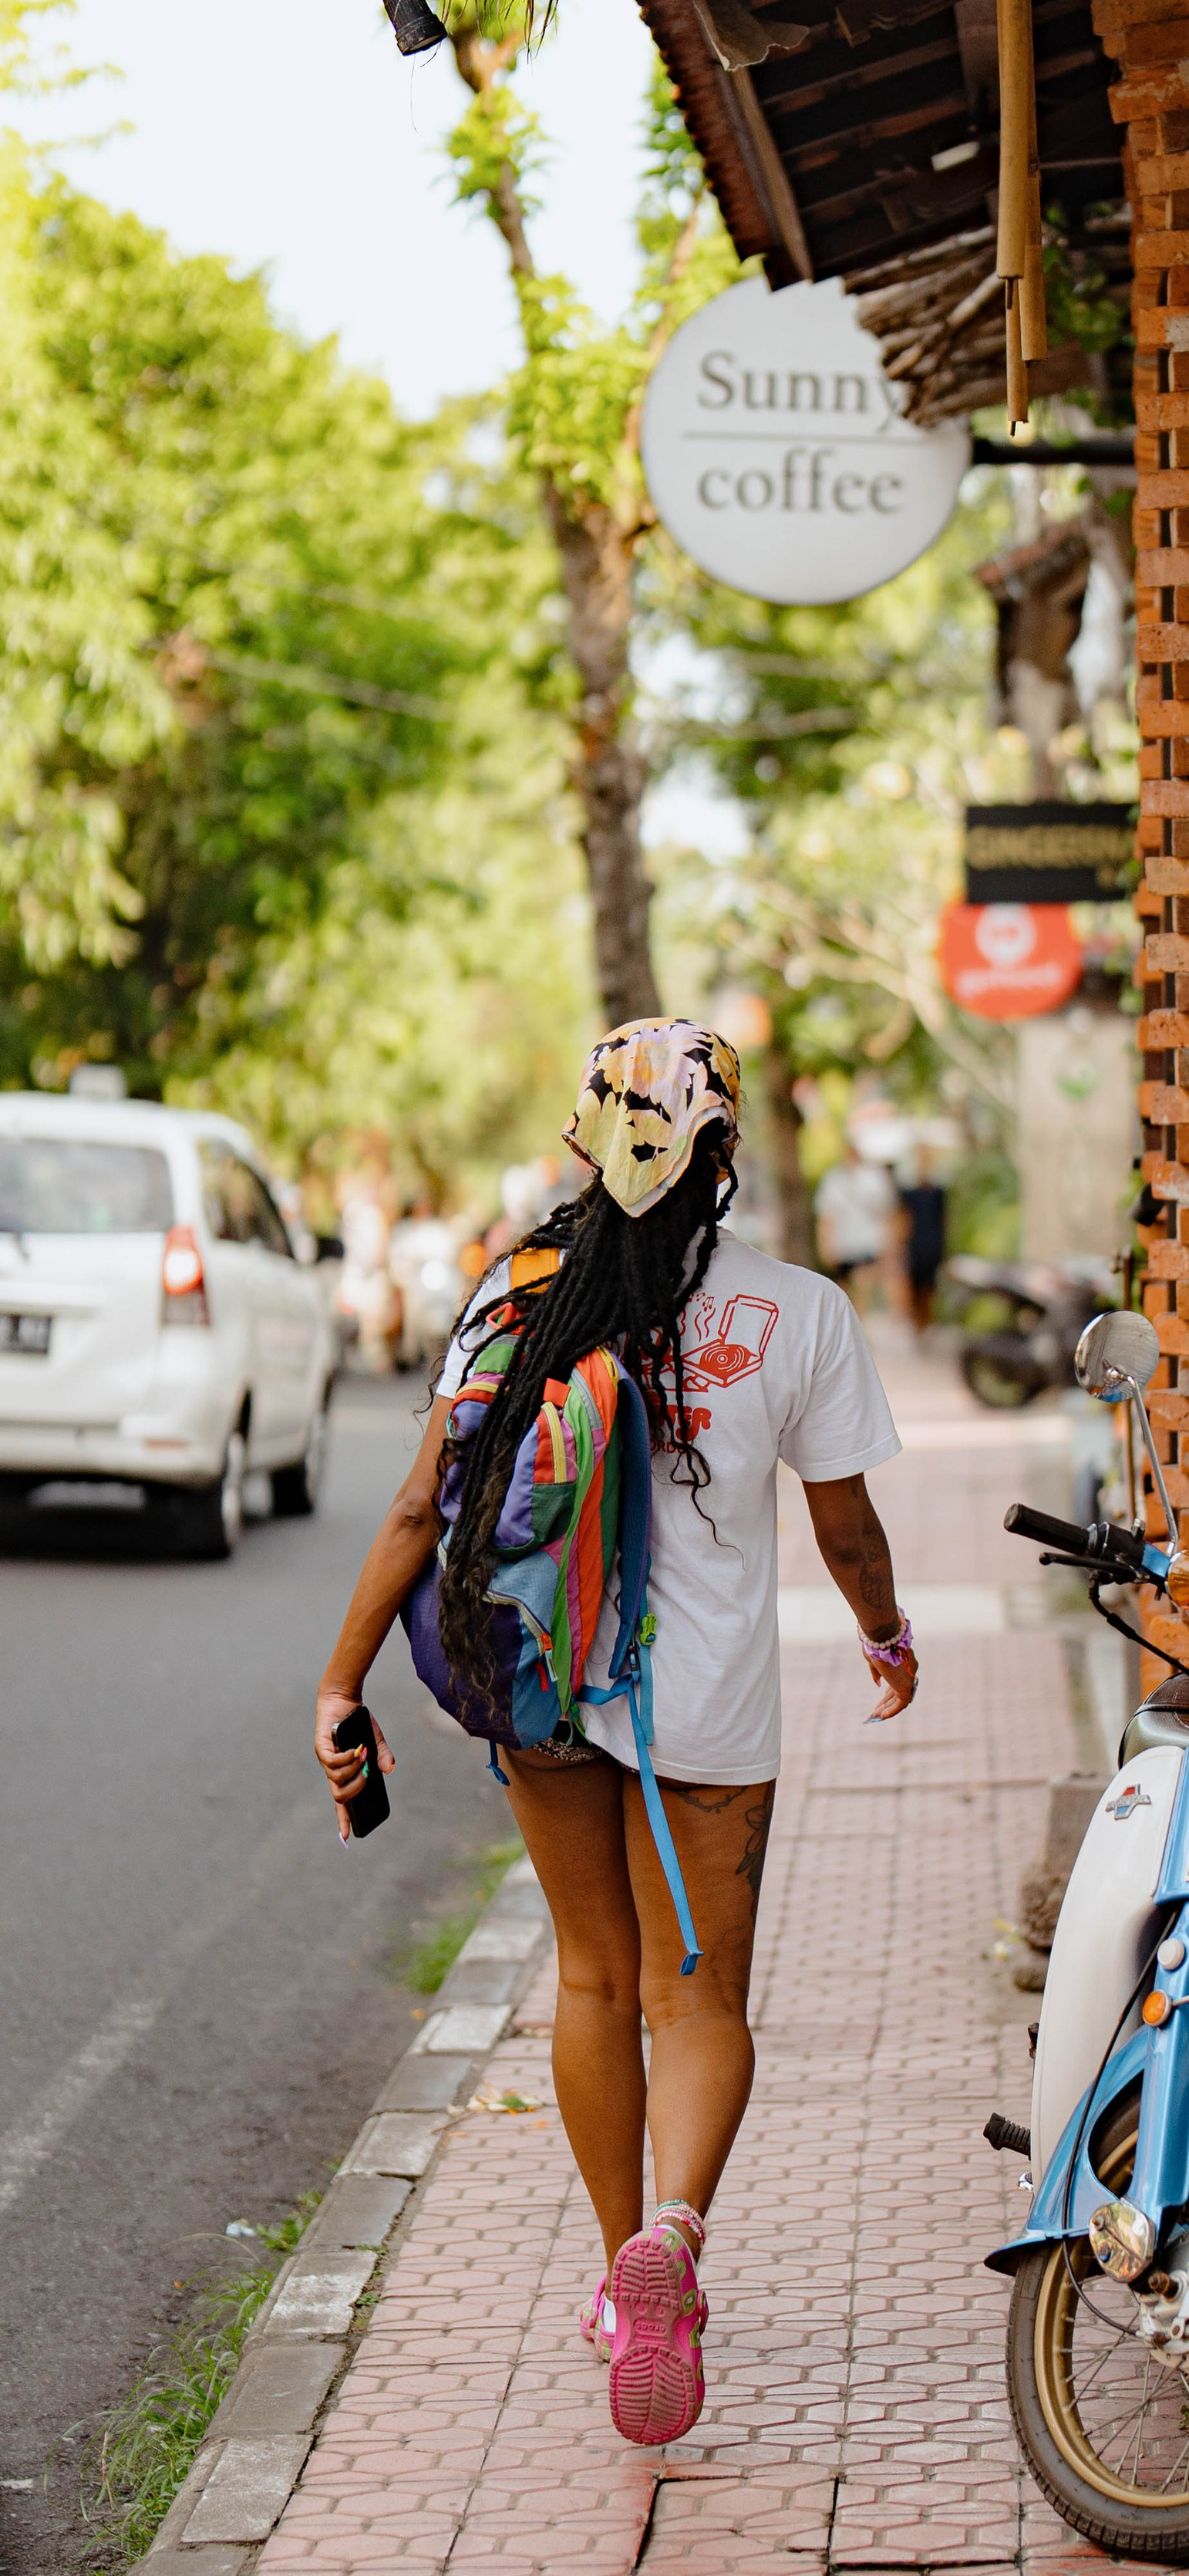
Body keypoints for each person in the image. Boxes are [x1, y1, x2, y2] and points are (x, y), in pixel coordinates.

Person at [312, 1020, 917, 2451]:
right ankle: (678, 2236)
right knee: (695, 1998)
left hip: (543, 1681)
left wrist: (340, 1681)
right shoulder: (799, 1314)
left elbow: (415, 1510)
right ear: (721, 1155)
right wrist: (886, 1636)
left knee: (590, 1981)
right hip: (707, 1709)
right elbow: (847, 1529)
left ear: (588, 1141)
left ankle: (612, 2274)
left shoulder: (519, 1297)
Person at [813, 1150, 899, 1309]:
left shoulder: (874, 1179)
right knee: (845, 1289)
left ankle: (858, 1321)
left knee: (862, 1285)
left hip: (867, 1242)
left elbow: (887, 1214)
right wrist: (825, 1245)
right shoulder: (833, 1180)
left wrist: (889, 1243)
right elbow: (827, 1216)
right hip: (843, 1244)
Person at [894, 1148, 948, 1336]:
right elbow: (904, 1218)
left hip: (932, 1243)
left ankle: (926, 1322)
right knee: (915, 1285)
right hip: (915, 1243)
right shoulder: (909, 1193)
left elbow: (943, 1219)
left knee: (929, 1286)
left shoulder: (939, 1192)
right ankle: (917, 1321)